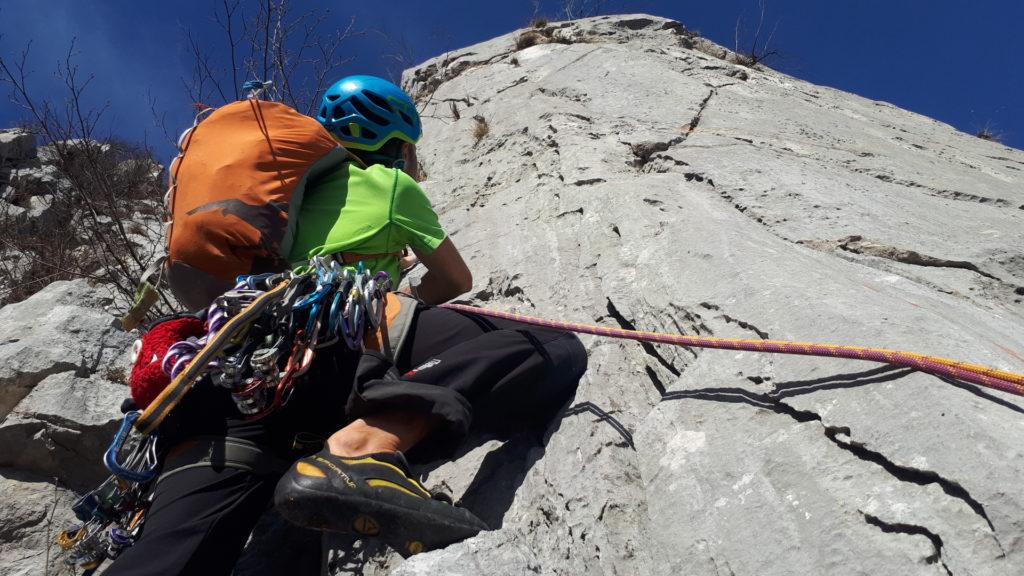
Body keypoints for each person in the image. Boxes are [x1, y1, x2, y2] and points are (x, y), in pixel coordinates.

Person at [105, 75, 587, 575]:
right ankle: (364, 448)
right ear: (396, 147)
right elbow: (455, 278)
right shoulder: (390, 183)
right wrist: (403, 296)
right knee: (548, 347)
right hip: (329, 352)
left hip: (224, 384)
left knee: (168, 556)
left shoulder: (275, 210)